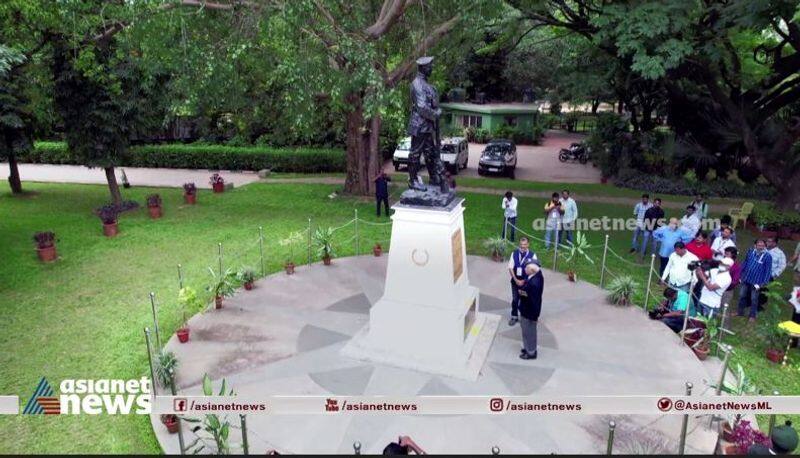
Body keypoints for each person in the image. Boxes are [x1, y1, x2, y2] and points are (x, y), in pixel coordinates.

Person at [737, 239, 773, 322]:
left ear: (765, 246)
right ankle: (740, 312)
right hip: (746, 278)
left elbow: (768, 271)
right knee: (742, 295)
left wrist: (763, 283)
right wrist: (740, 273)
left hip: (757, 282)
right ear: (755, 245)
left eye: (762, 245)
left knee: (754, 299)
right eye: (759, 244)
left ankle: (752, 315)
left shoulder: (768, 256)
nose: (760, 246)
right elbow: (745, 262)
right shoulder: (750, 251)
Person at [507, 237, 537, 326]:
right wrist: (516, 280)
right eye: (521, 245)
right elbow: (510, 267)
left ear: (528, 245)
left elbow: (534, 270)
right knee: (515, 299)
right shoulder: (514, 254)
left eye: (524, 245)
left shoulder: (532, 255)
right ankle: (514, 316)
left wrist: (524, 280)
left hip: (526, 284)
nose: (522, 246)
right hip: (515, 282)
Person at [517, 262, 544, 360]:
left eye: (526, 268)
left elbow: (534, 300)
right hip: (528, 310)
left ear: (532, 270)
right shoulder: (537, 275)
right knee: (526, 331)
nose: (524, 270)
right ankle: (527, 347)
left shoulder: (534, 283)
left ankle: (531, 352)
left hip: (529, 313)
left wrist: (521, 290)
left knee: (529, 332)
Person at [721, 246, 741, 313]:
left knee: (724, 309)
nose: (725, 255)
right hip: (716, 288)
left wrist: (726, 285)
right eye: (725, 253)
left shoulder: (736, 267)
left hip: (727, 291)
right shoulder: (721, 262)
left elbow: (735, 281)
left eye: (727, 254)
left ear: (733, 255)